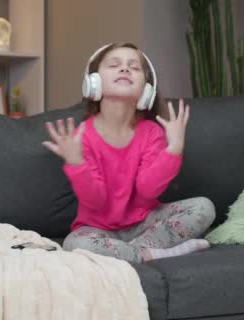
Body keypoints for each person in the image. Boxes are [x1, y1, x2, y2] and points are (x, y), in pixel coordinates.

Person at [42, 42, 215, 263]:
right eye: (114, 65)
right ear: (93, 83)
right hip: (98, 230)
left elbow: (147, 189)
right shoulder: (82, 135)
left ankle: (130, 253)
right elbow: (96, 201)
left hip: (146, 224)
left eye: (133, 67)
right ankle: (156, 254)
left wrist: (173, 150)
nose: (124, 69)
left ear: (147, 89)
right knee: (75, 243)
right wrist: (76, 163)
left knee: (204, 208)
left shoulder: (152, 132)